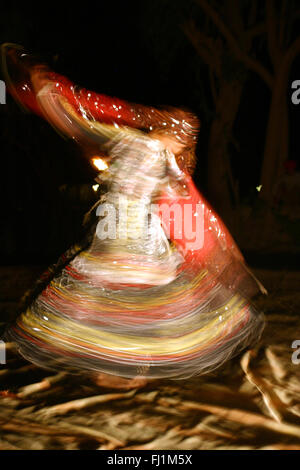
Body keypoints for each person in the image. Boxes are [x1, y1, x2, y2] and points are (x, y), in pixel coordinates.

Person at [2, 44, 265, 388]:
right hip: (115, 236)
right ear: (167, 131)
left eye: (184, 139)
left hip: (138, 240)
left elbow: (188, 211)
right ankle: (111, 364)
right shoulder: (125, 140)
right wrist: (47, 93)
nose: (180, 142)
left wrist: (221, 253)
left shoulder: (163, 163)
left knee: (138, 304)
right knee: (111, 302)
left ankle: (125, 366)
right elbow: (76, 124)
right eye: (179, 135)